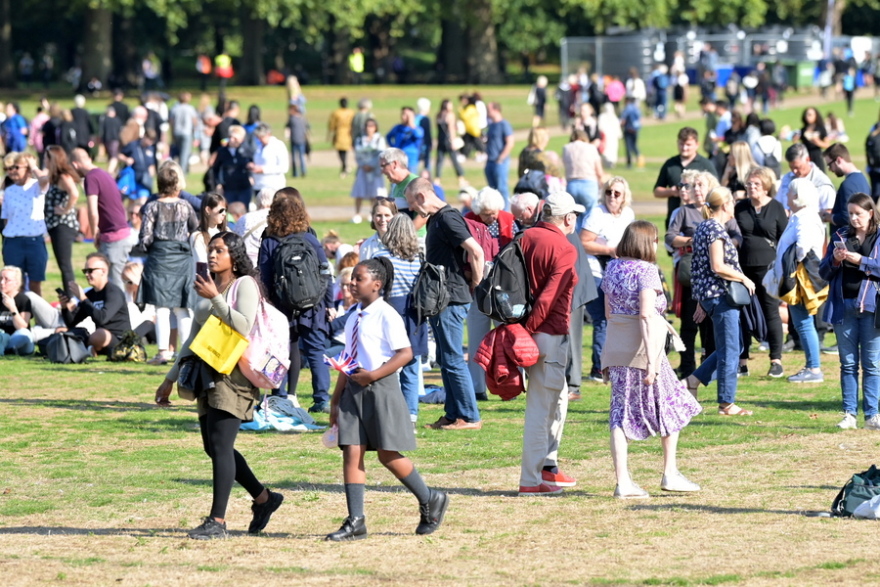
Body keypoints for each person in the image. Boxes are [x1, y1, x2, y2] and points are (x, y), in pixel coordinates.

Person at [155, 232, 284, 540]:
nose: (212, 255)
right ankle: (264, 499)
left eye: (219, 250)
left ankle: (218, 521)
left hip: (234, 375)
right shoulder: (207, 285)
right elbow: (193, 336)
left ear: (234, 257)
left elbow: (243, 326)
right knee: (212, 447)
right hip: (207, 370)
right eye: (211, 250)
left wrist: (215, 298)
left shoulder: (245, 285)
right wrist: (170, 377)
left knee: (221, 445)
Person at [325, 257, 448, 541]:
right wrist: (335, 398)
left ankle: (430, 498)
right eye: (352, 278)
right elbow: (348, 357)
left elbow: (405, 353)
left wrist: (373, 375)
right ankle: (356, 521)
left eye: (359, 279)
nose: (353, 283)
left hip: (380, 388)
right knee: (351, 450)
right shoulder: (355, 313)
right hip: (352, 390)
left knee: (387, 454)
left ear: (376, 285)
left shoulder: (386, 314)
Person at [602, 221, 702, 499]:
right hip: (644, 349)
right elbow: (646, 314)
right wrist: (651, 363)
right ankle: (670, 472)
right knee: (671, 403)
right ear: (648, 243)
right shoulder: (647, 271)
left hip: (617, 348)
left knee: (619, 415)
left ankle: (623, 481)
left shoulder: (612, 268)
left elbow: (610, 312)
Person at [404, 178, 485, 430]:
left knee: (452, 358)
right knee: (444, 357)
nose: (414, 211)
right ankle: (452, 414)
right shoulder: (437, 218)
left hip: (451, 297)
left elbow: (476, 251)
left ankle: (470, 417)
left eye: (412, 204)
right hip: (442, 298)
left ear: (420, 197)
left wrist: (476, 284)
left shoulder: (448, 218)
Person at [516, 192, 580, 495]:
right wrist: (528, 332)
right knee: (542, 407)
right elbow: (548, 298)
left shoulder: (524, 237)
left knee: (557, 400)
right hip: (545, 333)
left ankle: (547, 467)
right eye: (575, 216)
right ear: (567, 218)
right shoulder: (564, 248)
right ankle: (531, 479)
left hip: (526, 330)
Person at [258, 189, 334, 412]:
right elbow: (324, 271)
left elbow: (264, 277)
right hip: (313, 304)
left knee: (280, 351)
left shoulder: (270, 242)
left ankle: (279, 395)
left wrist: (268, 304)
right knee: (315, 352)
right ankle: (321, 399)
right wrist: (328, 303)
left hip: (282, 306)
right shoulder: (310, 238)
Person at [683, 187, 756, 416]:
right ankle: (727, 403)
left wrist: (700, 299)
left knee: (734, 347)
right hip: (721, 296)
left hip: (711, 296)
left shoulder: (704, 226)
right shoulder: (714, 229)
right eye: (733, 201)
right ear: (725, 205)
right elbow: (717, 266)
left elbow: (699, 268)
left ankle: (693, 381)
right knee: (731, 349)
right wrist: (744, 278)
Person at [666, 170, 740, 378]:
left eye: (700, 185)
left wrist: (722, 248)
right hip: (692, 274)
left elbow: (736, 236)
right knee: (689, 323)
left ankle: (709, 367)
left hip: (717, 279)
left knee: (712, 325)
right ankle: (687, 366)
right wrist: (692, 242)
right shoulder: (684, 212)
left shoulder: (722, 214)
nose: (696, 189)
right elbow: (670, 237)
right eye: (693, 185)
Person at [819, 193, 880, 430]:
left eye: (859, 214)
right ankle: (849, 414)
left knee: (872, 364)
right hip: (843, 306)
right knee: (848, 364)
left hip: (872, 308)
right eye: (851, 213)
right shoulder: (840, 235)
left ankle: (873, 415)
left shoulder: (878, 236)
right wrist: (834, 260)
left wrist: (860, 261)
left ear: (871, 213)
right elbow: (823, 272)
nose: (854, 219)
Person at [137, 163, 197, 365]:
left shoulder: (152, 206)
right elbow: (195, 230)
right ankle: (187, 352)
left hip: (159, 258)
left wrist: (152, 249)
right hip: (181, 258)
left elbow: (145, 237)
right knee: (182, 307)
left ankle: (164, 352)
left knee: (161, 307)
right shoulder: (185, 205)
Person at [734, 167, 788, 378]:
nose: (751, 187)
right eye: (748, 184)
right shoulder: (740, 207)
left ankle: (776, 360)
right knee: (742, 313)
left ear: (766, 186)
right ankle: (742, 362)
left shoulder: (776, 208)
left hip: (768, 269)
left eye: (756, 184)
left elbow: (784, 239)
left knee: (771, 312)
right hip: (742, 268)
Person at [373, 215, 427, 424]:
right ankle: (411, 413)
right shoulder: (419, 258)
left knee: (385, 363)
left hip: (389, 311)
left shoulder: (381, 256)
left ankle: (386, 411)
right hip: (415, 314)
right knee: (411, 365)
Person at [581, 176, 636, 382]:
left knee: (618, 319)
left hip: (620, 273)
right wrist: (608, 249)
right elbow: (583, 242)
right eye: (608, 192)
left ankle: (615, 365)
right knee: (603, 319)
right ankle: (598, 368)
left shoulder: (628, 214)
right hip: (596, 271)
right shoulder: (597, 214)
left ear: (624, 197)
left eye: (617, 193)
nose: (612, 196)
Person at [464, 188, 517, 401]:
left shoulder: (508, 220)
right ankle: (477, 388)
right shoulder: (468, 220)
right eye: (485, 214)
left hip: (504, 289)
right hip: (477, 288)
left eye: (493, 212)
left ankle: (512, 385)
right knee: (477, 338)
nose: (490, 217)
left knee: (507, 338)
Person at [774, 179, 827, 384]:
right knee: (801, 322)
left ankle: (813, 368)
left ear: (797, 196)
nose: (786, 196)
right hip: (797, 276)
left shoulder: (806, 218)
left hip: (800, 277)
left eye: (789, 193)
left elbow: (803, 246)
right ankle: (811, 366)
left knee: (803, 323)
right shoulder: (801, 216)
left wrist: (791, 263)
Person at [69, 149, 131, 290]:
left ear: (75, 164)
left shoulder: (90, 178)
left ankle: (121, 312)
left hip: (114, 237)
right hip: (121, 232)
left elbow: (92, 210)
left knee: (115, 286)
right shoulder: (103, 173)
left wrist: (95, 232)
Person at [58, 252, 131, 357]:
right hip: (99, 340)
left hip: (120, 340)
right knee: (63, 331)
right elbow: (72, 322)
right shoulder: (91, 295)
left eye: (90, 271)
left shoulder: (113, 292)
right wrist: (64, 307)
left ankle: (85, 348)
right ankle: (86, 348)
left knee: (100, 334)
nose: (87, 274)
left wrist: (83, 299)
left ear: (103, 271)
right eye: (85, 271)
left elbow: (102, 318)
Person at [1, 153, 50, 296]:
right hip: (13, 241)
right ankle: (18, 316)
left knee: (35, 283)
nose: (13, 171)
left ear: (27, 168)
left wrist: (33, 165)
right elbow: (6, 218)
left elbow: (44, 179)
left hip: (34, 241)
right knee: (15, 285)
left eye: (17, 167)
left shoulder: (36, 187)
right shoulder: (9, 191)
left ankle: (38, 316)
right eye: (10, 168)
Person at [654, 127, 718, 228]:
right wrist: (672, 191)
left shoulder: (705, 165)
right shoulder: (670, 164)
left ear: (697, 144)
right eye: (681, 144)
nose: (684, 148)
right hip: (675, 217)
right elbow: (657, 191)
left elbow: (716, 191)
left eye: (688, 145)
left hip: (699, 220)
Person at [41, 146, 81, 296]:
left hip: (62, 225)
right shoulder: (54, 176)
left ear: (52, 159)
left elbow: (75, 194)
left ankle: (72, 299)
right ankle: (70, 297)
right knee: (63, 265)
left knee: (65, 266)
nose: (44, 160)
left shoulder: (63, 176)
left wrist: (65, 209)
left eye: (46, 158)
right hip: (55, 225)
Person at [776, 144, 836, 219]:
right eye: (791, 167)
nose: (794, 171)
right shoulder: (787, 178)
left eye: (797, 167)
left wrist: (793, 214)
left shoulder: (822, 183)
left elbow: (828, 212)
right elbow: (777, 203)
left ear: (807, 159)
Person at [824, 143, 871, 231]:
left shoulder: (848, 184)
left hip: (848, 239)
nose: (830, 169)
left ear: (838, 160)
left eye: (829, 165)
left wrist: (829, 217)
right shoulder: (862, 178)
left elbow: (847, 217)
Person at [351, 118, 388, 224]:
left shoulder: (379, 139)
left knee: (375, 193)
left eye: (371, 126)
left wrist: (372, 165)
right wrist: (363, 165)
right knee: (359, 191)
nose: (369, 128)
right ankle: (357, 214)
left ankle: (372, 213)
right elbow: (358, 154)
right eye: (367, 126)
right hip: (363, 169)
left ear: (375, 127)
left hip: (375, 170)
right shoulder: (360, 139)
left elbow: (380, 154)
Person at [563, 128, 604, 217]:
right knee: (591, 215)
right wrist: (601, 182)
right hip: (589, 184)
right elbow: (599, 171)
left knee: (575, 215)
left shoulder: (566, 148)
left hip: (572, 184)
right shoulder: (591, 148)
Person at [380, 148, 423, 231]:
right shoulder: (396, 186)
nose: (382, 171)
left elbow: (424, 215)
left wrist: (407, 234)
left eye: (383, 166)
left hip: (416, 239)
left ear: (394, 164)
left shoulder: (414, 183)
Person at [212, 125, 253, 211]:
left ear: (241, 139)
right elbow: (216, 169)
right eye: (230, 137)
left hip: (244, 186)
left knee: (243, 210)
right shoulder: (222, 151)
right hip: (229, 187)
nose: (232, 140)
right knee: (230, 210)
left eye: (235, 138)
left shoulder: (247, 150)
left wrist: (251, 176)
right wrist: (218, 183)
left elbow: (252, 164)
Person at [247, 123, 289, 203]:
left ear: (268, 134)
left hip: (273, 185)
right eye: (258, 137)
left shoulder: (278, 145)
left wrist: (263, 169)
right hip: (259, 185)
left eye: (262, 137)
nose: (259, 140)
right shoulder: (259, 147)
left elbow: (284, 167)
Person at [484, 102, 515, 210]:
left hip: (499, 162)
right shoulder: (491, 125)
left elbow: (510, 142)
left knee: (502, 189)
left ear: (496, 110)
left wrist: (501, 158)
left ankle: (505, 212)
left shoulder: (504, 124)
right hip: (490, 161)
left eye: (489, 109)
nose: (487, 112)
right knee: (492, 190)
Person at [233, 187, 274, 265]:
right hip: (264, 263)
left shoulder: (245, 218)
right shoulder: (276, 219)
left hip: (243, 263)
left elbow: (235, 238)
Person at [0, 266, 34, 356]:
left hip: (18, 341)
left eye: (7, 280)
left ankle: (6, 349)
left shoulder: (23, 299)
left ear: (16, 283)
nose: (2, 282)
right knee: (2, 337)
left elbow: (22, 327)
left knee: (24, 334)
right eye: (0, 278)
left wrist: (12, 307)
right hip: (2, 337)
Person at [190, 192, 228, 268]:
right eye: (221, 210)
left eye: (225, 210)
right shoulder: (198, 236)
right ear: (208, 210)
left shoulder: (228, 232)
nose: (224, 214)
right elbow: (202, 265)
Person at [434, 99, 465, 186]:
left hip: (441, 140)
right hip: (448, 141)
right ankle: (461, 178)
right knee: (454, 160)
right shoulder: (450, 115)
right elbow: (451, 129)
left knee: (439, 161)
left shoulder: (438, 115)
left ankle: (437, 179)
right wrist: (453, 141)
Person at [386, 107, 424, 173]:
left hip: (412, 159)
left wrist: (411, 124)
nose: (404, 117)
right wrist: (393, 146)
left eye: (407, 115)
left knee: (412, 179)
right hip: (398, 157)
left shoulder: (417, 129)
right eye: (403, 114)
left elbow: (419, 136)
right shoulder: (398, 127)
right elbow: (388, 136)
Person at [169, 92, 199, 174]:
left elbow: (172, 122)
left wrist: (172, 134)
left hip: (177, 132)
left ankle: (178, 169)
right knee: (184, 154)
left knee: (179, 152)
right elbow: (195, 123)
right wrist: (196, 136)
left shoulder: (174, 108)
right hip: (187, 133)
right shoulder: (190, 109)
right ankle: (181, 172)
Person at [327, 98, 355, 178]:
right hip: (348, 132)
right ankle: (345, 166)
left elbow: (332, 124)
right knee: (345, 151)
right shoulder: (351, 112)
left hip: (340, 132)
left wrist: (331, 131)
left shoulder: (336, 112)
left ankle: (344, 166)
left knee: (340, 151)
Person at [799, 107, 830, 172]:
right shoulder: (803, 130)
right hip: (806, 156)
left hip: (817, 155)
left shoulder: (820, 128)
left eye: (810, 115)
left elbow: (827, 144)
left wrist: (818, 142)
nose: (808, 117)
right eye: (806, 115)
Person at [285, 104, 309, 178]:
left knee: (294, 158)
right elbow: (307, 127)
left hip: (294, 140)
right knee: (301, 157)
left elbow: (287, 127)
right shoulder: (302, 119)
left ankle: (295, 173)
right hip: (302, 140)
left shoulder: (292, 119)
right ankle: (303, 171)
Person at [619, 96, 642, 169]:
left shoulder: (627, 109)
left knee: (628, 147)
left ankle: (629, 164)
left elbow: (623, 120)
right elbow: (640, 119)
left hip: (628, 129)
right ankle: (640, 159)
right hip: (635, 129)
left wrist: (621, 127)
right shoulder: (636, 108)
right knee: (634, 145)